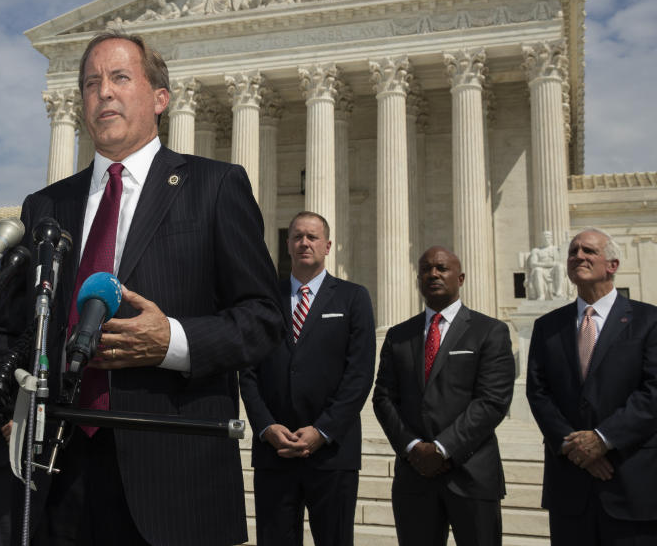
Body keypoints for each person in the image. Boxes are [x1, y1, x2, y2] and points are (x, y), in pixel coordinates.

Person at [0, 30, 284, 546]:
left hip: (173, 476)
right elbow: (21, 324)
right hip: (58, 471)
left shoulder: (215, 186)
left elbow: (264, 318)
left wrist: (171, 341)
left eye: (119, 77)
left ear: (160, 98)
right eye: (90, 82)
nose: (103, 92)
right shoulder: (46, 206)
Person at [240, 211, 375, 545]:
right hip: (275, 449)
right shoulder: (264, 299)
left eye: (312, 237)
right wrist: (266, 427)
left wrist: (323, 429)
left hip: (332, 452)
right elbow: (248, 371)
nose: (304, 243)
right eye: (297, 236)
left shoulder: (352, 297)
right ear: (287, 244)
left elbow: (359, 375)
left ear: (327, 246)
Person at [373, 246, 515, 546]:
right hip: (414, 476)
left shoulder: (489, 331)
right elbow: (384, 398)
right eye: (426, 269)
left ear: (460, 278)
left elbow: (492, 401)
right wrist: (413, 447)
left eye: (441, 268)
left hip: (471, 474)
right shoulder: (399, 335)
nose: (433, 274)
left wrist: (441, 448)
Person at [527, 228, 657, 545]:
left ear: (612, 264)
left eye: (588, 251)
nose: (578, 257)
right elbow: (538, 391)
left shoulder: (648, 321)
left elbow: (653, 392)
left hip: (630, 483)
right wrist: (574, 446)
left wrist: (603, 439)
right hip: (570, 486)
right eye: (573, 252)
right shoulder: (547, 326)